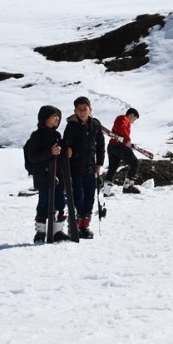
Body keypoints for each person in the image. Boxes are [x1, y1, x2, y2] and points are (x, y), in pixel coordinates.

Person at [62, 96, 106, 239]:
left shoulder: (95, 125)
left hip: (90, 168)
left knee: (89, 197)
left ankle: (84, 226)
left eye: (84, 109)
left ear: (90, 109)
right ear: (75, 111)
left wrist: (99, 163)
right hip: (75, 168)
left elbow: (100, 145)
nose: (82, 112)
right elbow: (65, 143)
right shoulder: (71, 126)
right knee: (78, 197)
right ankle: (75, 224)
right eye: (79, 109)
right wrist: (66, 150)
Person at [24, 105, 68, 243]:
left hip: (57, 176)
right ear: (44, 118)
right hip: (43, 176)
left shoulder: (57, 136)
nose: (57, 118)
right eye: (54, 116)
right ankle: (40, 232)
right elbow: (33, 157)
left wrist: (66, 153)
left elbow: (59, 155)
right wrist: (50, 152)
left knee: (60, 202)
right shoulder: (36, 136)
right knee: (44, 203)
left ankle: (57, 231)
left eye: (58, 116)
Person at [104, 107, 142, 195]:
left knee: (112, 168)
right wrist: (128, 139)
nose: (133, 122)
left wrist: (127, 142)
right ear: (132, 115)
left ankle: (106, 191)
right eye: (134, 119)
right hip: (119, 147)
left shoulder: (120, 119)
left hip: (112, 147)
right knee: (135, 163)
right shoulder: (123, 118)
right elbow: (122, 128)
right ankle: (128, 187)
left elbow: (119, 131)